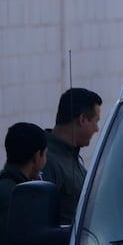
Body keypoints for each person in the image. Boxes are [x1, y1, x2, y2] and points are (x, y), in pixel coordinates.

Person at [42, 87, 102, 225]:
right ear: (82, 119)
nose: (97, 129)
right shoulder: (46, 161)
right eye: (96, 121)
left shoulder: (71, 159)